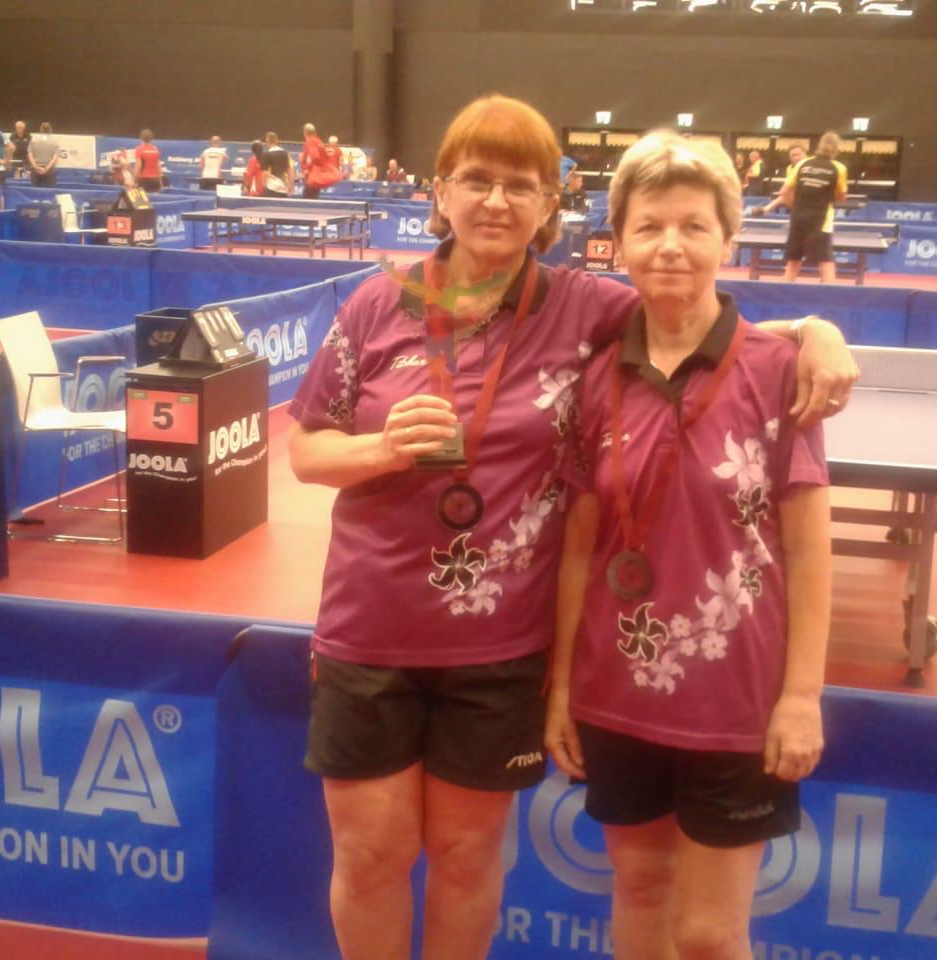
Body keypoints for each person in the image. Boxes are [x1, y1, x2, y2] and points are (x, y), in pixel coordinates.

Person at [286, 94, 857, 960]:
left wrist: (815, 328)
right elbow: (305, 450)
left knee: (467, 855)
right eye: (476, 179)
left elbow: (695, 314)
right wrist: (378, 450)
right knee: (369, 855)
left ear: (551, 205)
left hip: (499, 648)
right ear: (440, 192)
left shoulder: (583, 306)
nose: (496, 200)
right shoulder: (377, 302)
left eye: (521, 185)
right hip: (369, 630)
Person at [547, 128, 830, 960]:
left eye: (694, 226)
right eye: (649, 226)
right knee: (638, 888)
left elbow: (809, 551)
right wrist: (560, 687)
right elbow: (578, 548)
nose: (670, 245)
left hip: (737, 698)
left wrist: (802, 696)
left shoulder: (779, 371)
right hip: (616, 688)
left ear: (727, 240)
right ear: (619, 241)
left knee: (709, 934)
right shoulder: (596, 377)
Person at [774, 131, 847, 283]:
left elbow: (784, 191)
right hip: (821, 220)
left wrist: (793, 204)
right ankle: (830, 293)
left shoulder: (802, 164)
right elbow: (842, 197)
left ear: (819, 146)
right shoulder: (839, 168)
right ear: (836, 149)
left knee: (793, 262)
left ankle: (782, 293)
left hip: (798, 218)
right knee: (825, 261)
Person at [300, 122, 340, 198]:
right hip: (318, 176)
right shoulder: (319, 142)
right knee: (313, 198)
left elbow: (314, 157)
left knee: (306, 200)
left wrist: (306, 169)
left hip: (313, 176)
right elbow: (325, 159)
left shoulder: (310, 141)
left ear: (305, 132)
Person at [28, 122, 59, 187]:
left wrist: (36, 167)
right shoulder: (55, 142)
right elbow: (54, 158)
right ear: (50, 130)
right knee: (50, 192)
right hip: (49, 171)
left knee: (34, 192)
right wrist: (46, 169)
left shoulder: (33, 141)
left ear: (41, 129)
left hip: (36, 170)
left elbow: (30, 155)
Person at [133, 128, 163, 192]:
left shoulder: (139, 149)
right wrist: (160, 181)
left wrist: (134, 181)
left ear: (141, 138)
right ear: (151, 139)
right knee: (154, 198)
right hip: (155, 180)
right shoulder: (156, 149)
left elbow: (138, 166)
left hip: (144, 179)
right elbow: (159, 167)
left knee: (142, 198)